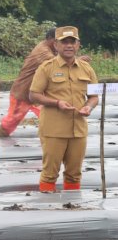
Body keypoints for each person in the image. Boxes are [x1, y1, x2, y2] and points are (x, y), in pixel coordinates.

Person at [29, 26, 98, 193]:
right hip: (54, 130)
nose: (69, 45)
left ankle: (72, 208)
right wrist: (57, 103)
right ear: (56, 45)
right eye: (64, 42)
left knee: (74, 174)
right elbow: (33, 95)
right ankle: (47, 210)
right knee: (50, 173)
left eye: (72, 42)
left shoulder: (87, 68)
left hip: (78, 130)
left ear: (78, 45)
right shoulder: (46, 67)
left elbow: (94, 97)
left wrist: (88, 107)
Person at [0, 28, 57, 137]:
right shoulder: (43, 51)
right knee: (10, 122)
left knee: (51, 117)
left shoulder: (50, 48)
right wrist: (77, 60)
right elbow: (57, 63)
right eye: (57, 40)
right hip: (22, 93)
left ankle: (54, 140)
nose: (59, 44)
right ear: (49, 39)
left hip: (36, 94)